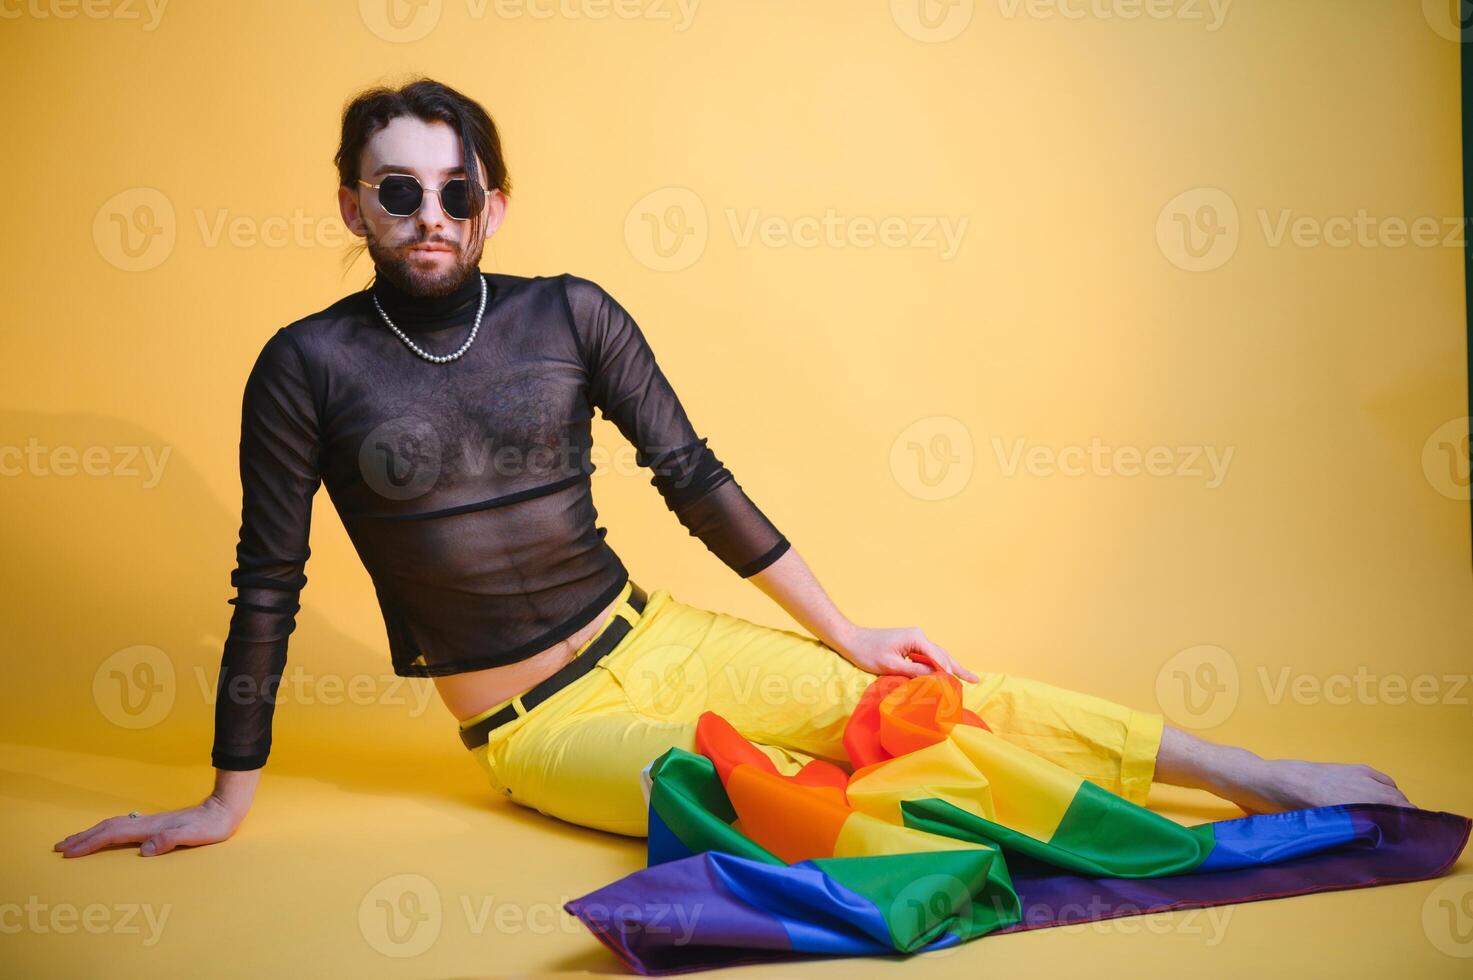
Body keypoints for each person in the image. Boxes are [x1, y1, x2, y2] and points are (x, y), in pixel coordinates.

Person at [55, 77, 1410, 858]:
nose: (428, 215)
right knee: (745, 802)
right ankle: (1152, 846)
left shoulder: (570, 312)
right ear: (349, 202)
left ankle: (1254, 775)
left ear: (494, 201)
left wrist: (848, 633)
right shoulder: (305, 364)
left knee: (926, 706)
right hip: (539, 726)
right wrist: (229, 793)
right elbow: (269, 580)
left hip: (668, 638)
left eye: (454, 189)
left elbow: (693, 479)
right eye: (394, 190)